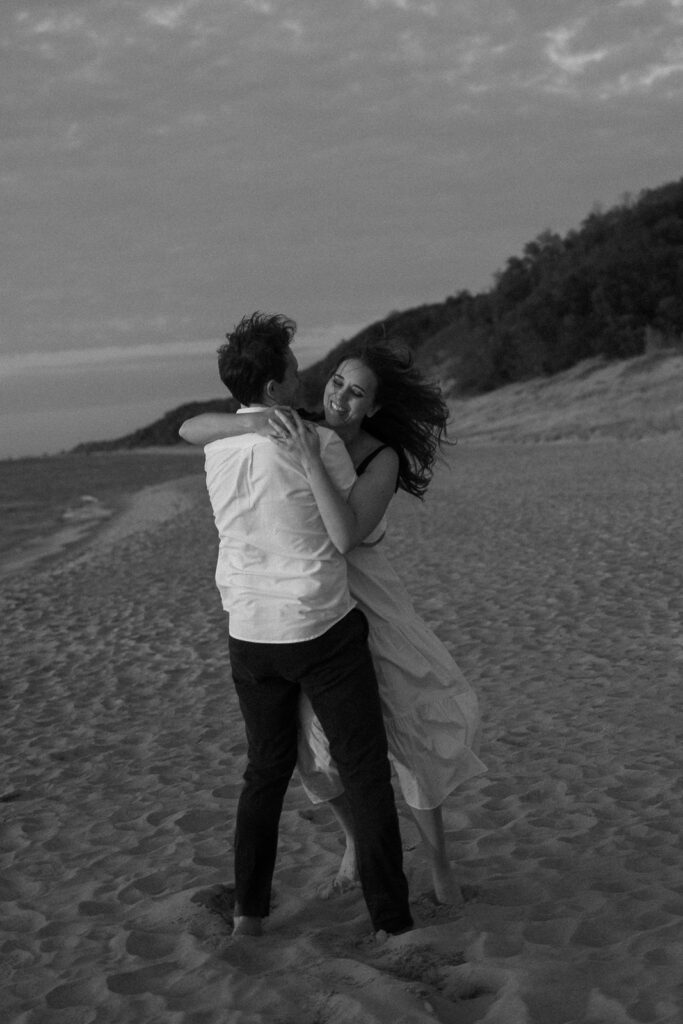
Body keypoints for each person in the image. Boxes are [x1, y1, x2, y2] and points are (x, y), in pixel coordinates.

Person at [181, 336, 486, 905]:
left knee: (410, 731)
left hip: (365, 600)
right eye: (337, 383)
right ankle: (353, 838)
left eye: (357, 393)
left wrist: (302, 454)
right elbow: (192, 427)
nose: (341, 398)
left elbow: (347, 537)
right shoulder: (296, 423)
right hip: (313, 608)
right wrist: (257, 427)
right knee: (307, 748)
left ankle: (439, 861)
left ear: (373, 407)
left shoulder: (379, 457)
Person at [196, 312, 412, 939]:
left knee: (265, 771)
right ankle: (391, 923)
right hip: (319, 627)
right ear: (273, 387)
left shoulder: (216, 447)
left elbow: (199, 427)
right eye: (293, 368)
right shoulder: (319, 445)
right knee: (365, 772)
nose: (303, 375)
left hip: (249, 631)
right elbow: (352, 531)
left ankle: (248, 917)